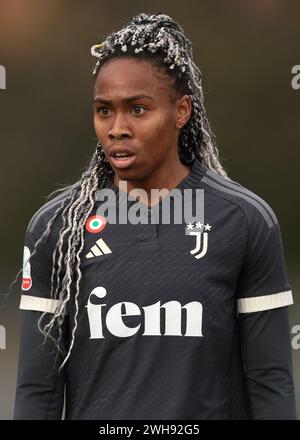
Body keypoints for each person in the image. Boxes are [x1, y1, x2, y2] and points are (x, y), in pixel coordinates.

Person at [13, 12, 297, 420]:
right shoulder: (56, 227)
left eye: (138, 110)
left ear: (181, 111)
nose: (117, 128)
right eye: (104, 110)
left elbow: (271, 382)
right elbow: (37, 391)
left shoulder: (244, 220)